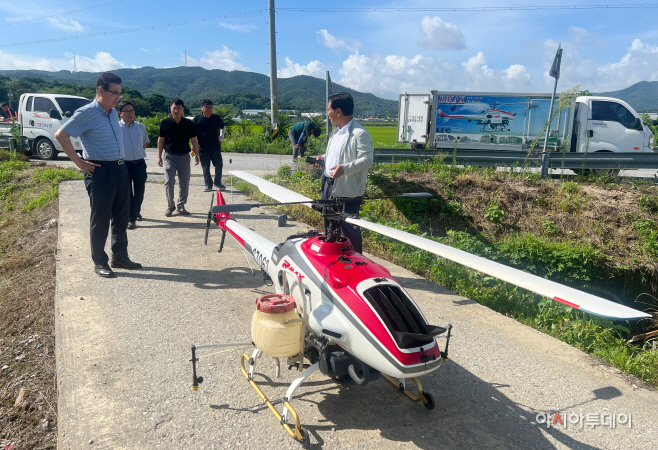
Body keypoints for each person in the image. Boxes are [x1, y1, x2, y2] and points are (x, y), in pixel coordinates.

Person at [54, 72, 142, 278]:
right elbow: (61, 135)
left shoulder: (112, 113)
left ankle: (119, 256)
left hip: (120, 169)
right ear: (101, 90)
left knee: (122, 216)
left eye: (120, 93)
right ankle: (100, 262)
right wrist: (79, 162)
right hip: (100, 171)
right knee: (101, 218)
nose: (118, 98)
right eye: (114, 93)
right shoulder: (87, 112)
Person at [314, 92, 373, 254]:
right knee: (329, 226)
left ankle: (356, 265)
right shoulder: (336, 132)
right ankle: (333, 261)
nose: (327, 114)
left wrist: (344, 169)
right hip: (328, 185)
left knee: (349, 229)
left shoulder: (360, 134)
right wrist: (323, 159)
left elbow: (367, 160)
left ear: (338, 111)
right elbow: (336, 156)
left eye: (328, 109)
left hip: (347, 191)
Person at [157, 98, 199, 216]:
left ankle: (181, 206)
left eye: (179, 108)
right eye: (174, 108)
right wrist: (159, 156)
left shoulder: (188, 123)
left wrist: (197, 155)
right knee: (169, 181)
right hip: (169, 156)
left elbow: (194, 140)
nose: (176, 110)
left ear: (183, 109)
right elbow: (161, 140)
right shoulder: (165, 123)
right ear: (171, 109)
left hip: (184, 156)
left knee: (184, 182)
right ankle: (170, 206)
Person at [118, 101, 150, 230]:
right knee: (127, 193)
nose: (130, 113)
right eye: (127, 110)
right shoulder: (116, 127)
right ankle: (131, 219)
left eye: (132, 110)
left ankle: (136, 211)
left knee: (140, 190)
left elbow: (144, 143)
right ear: (120, 113)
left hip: (139, 163)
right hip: (124, 164)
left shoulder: (140, 127)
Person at [192, 99, 226, 191]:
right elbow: (192, 133)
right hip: (202, 147)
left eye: (210, 107)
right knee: (205, 167)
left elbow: (223, 127)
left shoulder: (216, 118)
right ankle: (208, 184)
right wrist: (193, 145)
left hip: (215, 146)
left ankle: (218, 182)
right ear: (202, 108)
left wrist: (221, 138)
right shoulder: (197, 119)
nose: (209, 109)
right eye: (207, 107)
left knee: (219, 165)